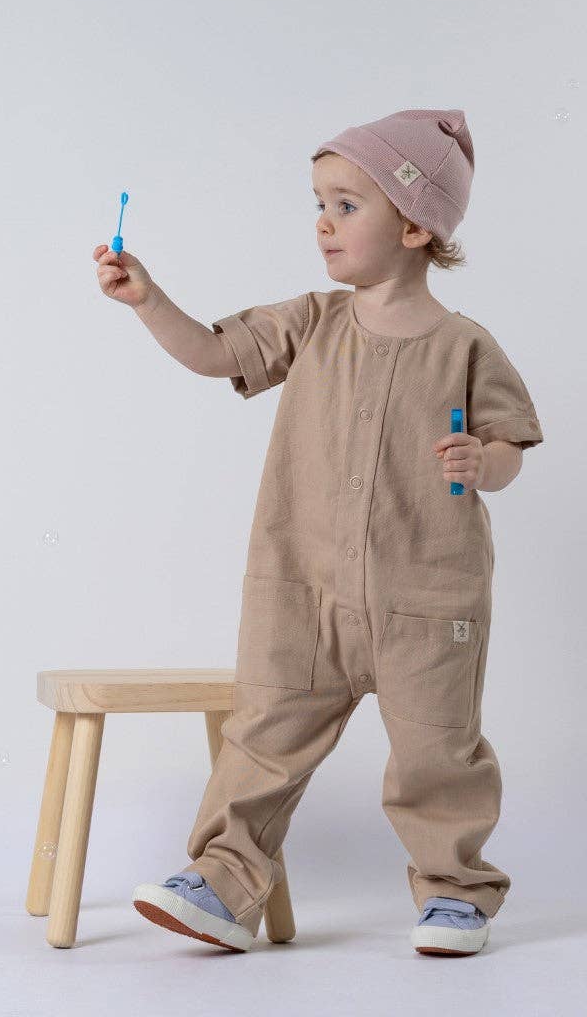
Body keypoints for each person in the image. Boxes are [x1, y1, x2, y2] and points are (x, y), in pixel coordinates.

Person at [94, 109, 544, 957]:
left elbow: (511, 445)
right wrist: (150, 302)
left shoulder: (465, 346)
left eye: (346, 205)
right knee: (262, 736)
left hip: (426, 593)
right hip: (301, 587)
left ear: (415, 226)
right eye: (318, 204)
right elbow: (213, 354)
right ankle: (223, 883)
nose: (323, 224)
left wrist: (484, 464)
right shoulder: (310, 321)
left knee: (435, 752)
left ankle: (455, 892)